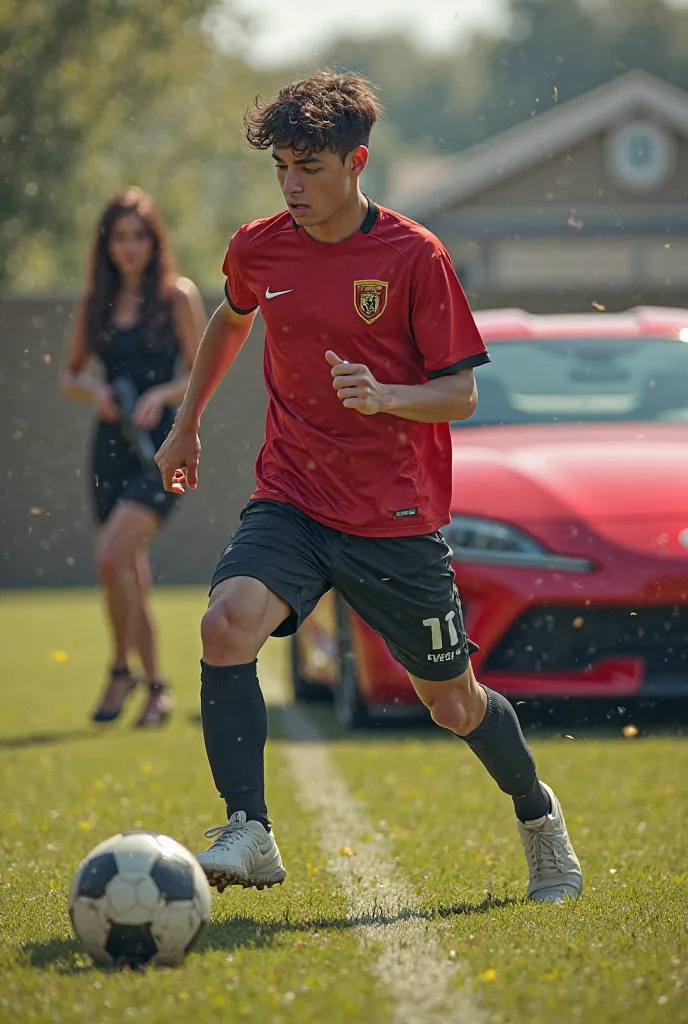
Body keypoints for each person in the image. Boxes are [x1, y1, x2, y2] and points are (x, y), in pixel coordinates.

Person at [156, 73, 583, 902]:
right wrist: (186, 420)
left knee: (451, 704)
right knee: (225, 623)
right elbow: (232, 316)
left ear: (356, 162)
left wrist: (386, 395)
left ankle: (539, 819)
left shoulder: (414, 256)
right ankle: (250, 830)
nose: (291, 186)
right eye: (280, 167)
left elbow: (460, 393)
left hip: (393, 517)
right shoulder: (258, 247)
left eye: (308, 168)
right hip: (292, 493)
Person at [61, 187, 205, 727]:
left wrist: (159, 396)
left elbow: (197, 372)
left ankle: (121, 669)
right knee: (127, 572)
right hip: (109, 450)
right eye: (120, 236)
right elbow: (69, 374)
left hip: (165, 448)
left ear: (154, 240)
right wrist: (93, 393)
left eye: (139, 235)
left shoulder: (176, 296)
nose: (129, 247)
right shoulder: (93, 302)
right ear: (107, 243)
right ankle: (158, 690)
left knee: (108, 558)